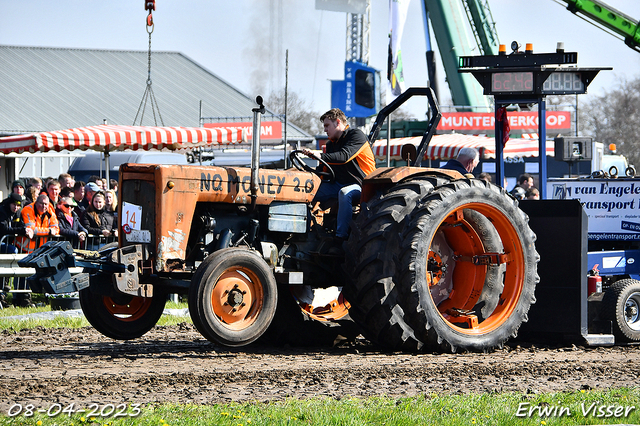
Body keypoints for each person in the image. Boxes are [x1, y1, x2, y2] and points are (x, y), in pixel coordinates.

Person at [302, 108, 376, 250]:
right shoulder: (331, 144)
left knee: (344, 193)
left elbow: (344, 156)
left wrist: (318, 155)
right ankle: (305, 230)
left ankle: (340, 237)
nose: (325, 130)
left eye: (327, 125)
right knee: (305, 193)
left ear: (337, 122)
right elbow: (324, 170)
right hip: (338, 183)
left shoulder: (356, 136)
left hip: (362, 185)